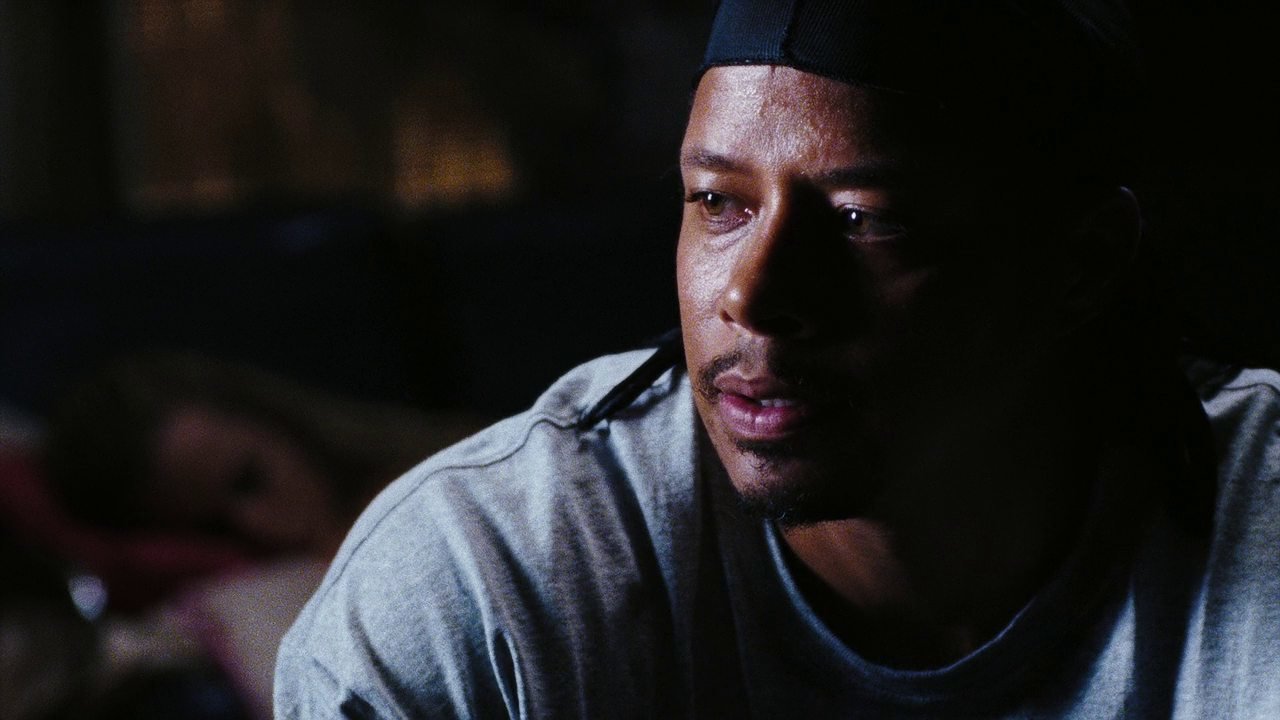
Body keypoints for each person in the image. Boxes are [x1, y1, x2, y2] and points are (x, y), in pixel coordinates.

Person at [274, 1, 1280, 717]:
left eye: (863, 219)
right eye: (719, 203)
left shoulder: (1256, 530)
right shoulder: (484, 594)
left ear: (1080, 263)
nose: (752, 296)